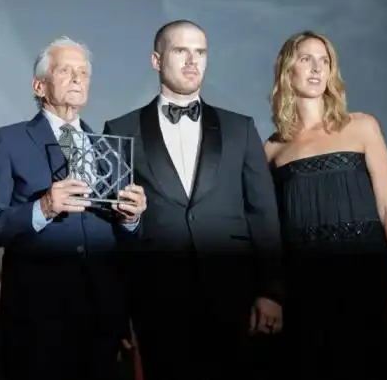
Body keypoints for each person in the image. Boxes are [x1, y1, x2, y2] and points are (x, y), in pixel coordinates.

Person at [103, 20, 284, 380]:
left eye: (200, 52)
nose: (192, 60)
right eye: (180, 51)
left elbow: (263, 213)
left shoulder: (241, 128)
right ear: (156, 61)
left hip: (235, 294)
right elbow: (113, 230)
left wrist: (271, 291)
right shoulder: (120, 129)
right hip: (157, 299)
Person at [0, 36, 147, 380]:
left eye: (84, 72)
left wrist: (133, 219)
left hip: (101, 320)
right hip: (38, 319)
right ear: (39, 85)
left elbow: (126, 240)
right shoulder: (7, 140)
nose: (77, 78)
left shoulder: (108, 148)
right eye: (66, 70)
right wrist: (43, 207)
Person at [263, 30, 387, 379]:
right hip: (306, 285)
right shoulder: (271, 149)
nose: (317, 68)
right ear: (288, 70)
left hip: (367, 277)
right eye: (306, 59)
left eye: (325, 60)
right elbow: (270, 231)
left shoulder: (362, 126)